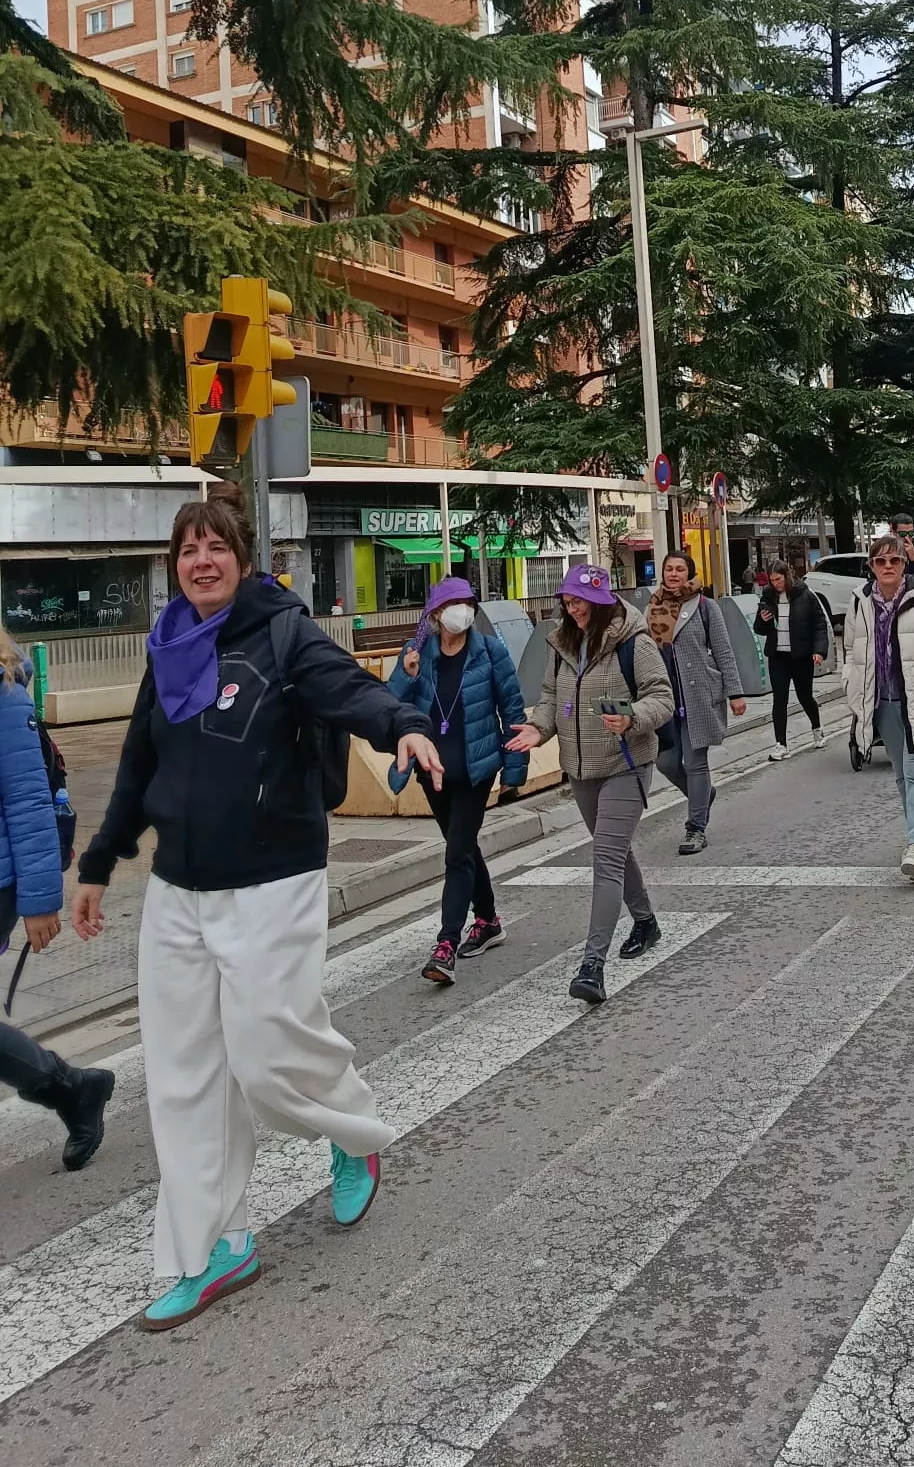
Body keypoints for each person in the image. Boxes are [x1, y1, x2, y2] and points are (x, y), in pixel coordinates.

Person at [71, 487, 443, 1331]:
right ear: (176, 567)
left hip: (272, 878)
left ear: (241, 560)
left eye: (216, 547)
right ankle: (214, 1250)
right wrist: (97, 865)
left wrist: (406, 724)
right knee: (183, 1076)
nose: (201, 561)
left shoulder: (280, 633)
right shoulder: (167, 650)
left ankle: (354, 1131)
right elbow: (136, 766)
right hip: (177, 892)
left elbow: (348, 688)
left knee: (269, 1056)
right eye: (187, 550)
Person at [507, 565, 673, 1004]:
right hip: (580, 769)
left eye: (580, 600)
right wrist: (538, 730)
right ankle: (645, 920)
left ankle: (592, 966)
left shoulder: (632, 642)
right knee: (614, 849)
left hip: (626, 763)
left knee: (605, 856)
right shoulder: (563, 643)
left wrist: (633, 718)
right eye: (567, 600)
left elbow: (662, 696)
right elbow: (550, 698)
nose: (572, 607)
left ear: (600, 602)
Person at [0, 624, 114, 1171]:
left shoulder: (4, 694)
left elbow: (27, 802)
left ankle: (69, 1088)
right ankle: (72, 1088)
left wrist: (40, 899)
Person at [391, 574, 529, 985]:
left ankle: (445, 944)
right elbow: (389, 707)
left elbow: (513, 711)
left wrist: (514, 771)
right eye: (454, 604)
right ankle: (487, 919)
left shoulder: (489, 651)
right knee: (462, 846)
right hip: (431, 771)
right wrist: (407, 673)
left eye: (468, 603)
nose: (463, 611)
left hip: (475, 769)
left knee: (456, 853)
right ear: (435, 614)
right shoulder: (417, 654)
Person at [843, 534, 914, 884]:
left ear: (903, 564)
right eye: (881, 562)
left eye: (894, 560)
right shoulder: (859, 601)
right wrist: (851, 688)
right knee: (899, 773)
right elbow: (850, 651)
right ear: (872, 566)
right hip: (881, 702)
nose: (888, 567)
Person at [645, 550, 746, 856]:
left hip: (699, 694)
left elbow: (723, 650)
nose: (674, 574)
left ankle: (695, 828)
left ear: (689, 574)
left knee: (696, 761)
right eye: (669, 569)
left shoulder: (704, 606)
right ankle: (702, 796)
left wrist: (735, 692)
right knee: (666, 762)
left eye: (680, 569)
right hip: (664, 697)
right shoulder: (651, 607)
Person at [755, 559, 829, 762]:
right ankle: (781, 744)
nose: (775, 584)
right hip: (778, 655)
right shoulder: (768, 596)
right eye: (772, 580)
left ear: (786, 576)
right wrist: (763, 619)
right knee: (779, 700)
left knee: (805, 696)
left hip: (801, 655)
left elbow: (819, 624)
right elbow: (759, 629)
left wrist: (819, 651)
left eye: (778, 579)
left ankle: (817, 728)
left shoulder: (805, 595)